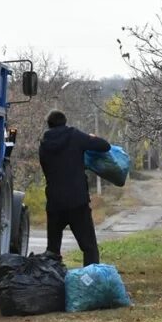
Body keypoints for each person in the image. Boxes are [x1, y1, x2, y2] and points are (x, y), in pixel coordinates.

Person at [39, 109, 110, 267]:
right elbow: (104, 146)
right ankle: (90, 283)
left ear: (49, 125)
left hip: (54, 202)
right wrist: (91, 138)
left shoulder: (44, 143)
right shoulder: (74, 136)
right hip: (77, 202)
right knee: (89, 248)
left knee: (52, 251)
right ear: (65, 122)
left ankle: (51, 283)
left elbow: (46, 169)